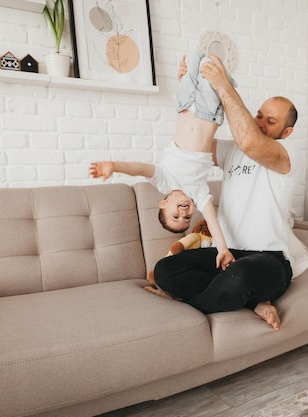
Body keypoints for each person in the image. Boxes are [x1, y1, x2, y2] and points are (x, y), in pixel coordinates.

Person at [151, 54, 302, 331]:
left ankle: (189, 311)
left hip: (269, 260)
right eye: (258, 115)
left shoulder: (286, 155)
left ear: (287, 131)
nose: (259, 123)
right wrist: (188, 91)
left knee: (241, 276)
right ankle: (253, 302)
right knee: (165, 269)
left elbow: (249, 140)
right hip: (228, 255)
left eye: (270, 121)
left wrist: (224, 86)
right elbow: (194, 140)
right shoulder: (233, 150)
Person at [90, 50, 236, 271]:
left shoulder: (163, 181)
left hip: (185, 105)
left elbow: (139, 168)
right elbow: (213, 223)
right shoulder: (198, 194)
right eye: (186, 218)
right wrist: (222, 249)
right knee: (210, 66)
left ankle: (194, 76)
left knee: (193, 59)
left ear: (164, 203)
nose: (184, 214)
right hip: (208, 113)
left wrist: (115, 165)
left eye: (175, 215)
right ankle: (228, 85)